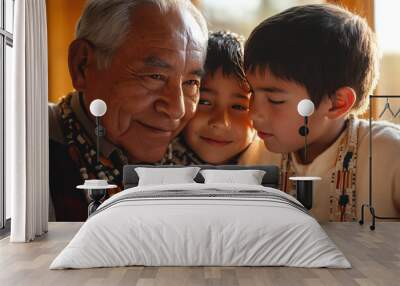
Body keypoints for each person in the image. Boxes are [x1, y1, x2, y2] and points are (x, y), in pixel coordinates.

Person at [48, 0, 208, 221]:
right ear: (82, 65)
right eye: (155, 76)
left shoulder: (199, 152)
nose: (177, 109)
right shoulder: (24, 147)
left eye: (190, 83)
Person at [239, 4, 400, 222]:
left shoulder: (390, 154)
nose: (254, 113)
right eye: (251, 93)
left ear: (336, 103)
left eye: (275, 100)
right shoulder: (255, 157)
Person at [160, 31, 256, 165]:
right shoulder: (154, 158)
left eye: (239, 106)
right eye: (204, 102)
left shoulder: (270, 161)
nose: (221, 123)